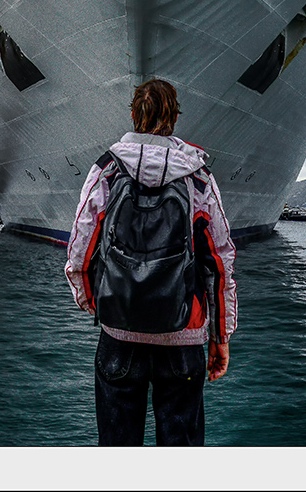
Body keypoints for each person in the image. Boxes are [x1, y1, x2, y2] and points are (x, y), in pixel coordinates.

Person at [66, 78, 237, 447]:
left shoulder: (107, 170)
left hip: (119, 334)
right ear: (174, 117)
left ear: (133, 114)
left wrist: (96, 303)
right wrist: (219, 337)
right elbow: (219, 262)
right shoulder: (198, 177)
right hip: (183, 335)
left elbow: (80, 250)